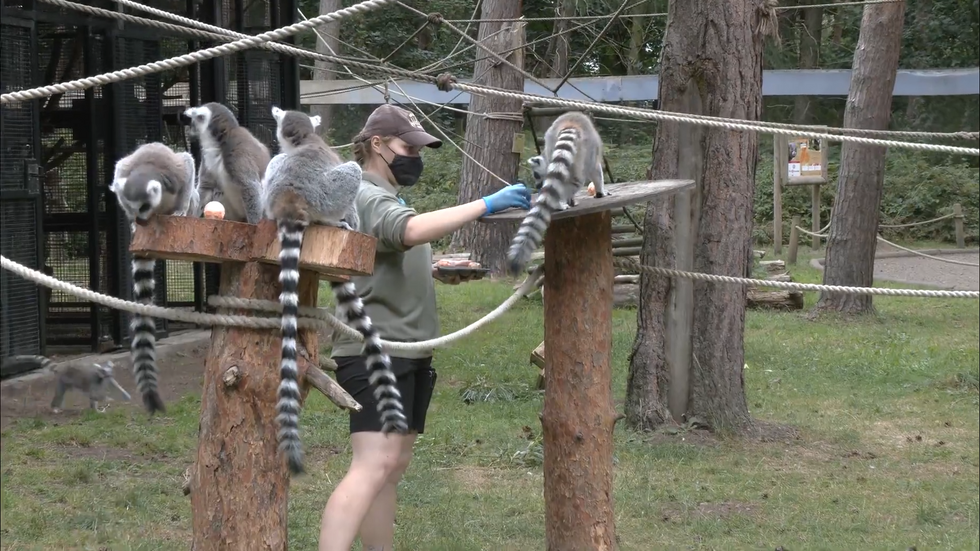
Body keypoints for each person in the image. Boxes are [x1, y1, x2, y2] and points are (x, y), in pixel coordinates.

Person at [319, 104, 531, 551]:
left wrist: (435, 270)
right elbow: (407, 231)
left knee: (392, 465)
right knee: (373, 464)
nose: (415, 155)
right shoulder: (363, 191)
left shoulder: (386, 194)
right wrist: (486, 205)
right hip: (374, 351)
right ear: (376, 144)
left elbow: (386, 252)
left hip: (409, 350)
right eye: (407, 146)